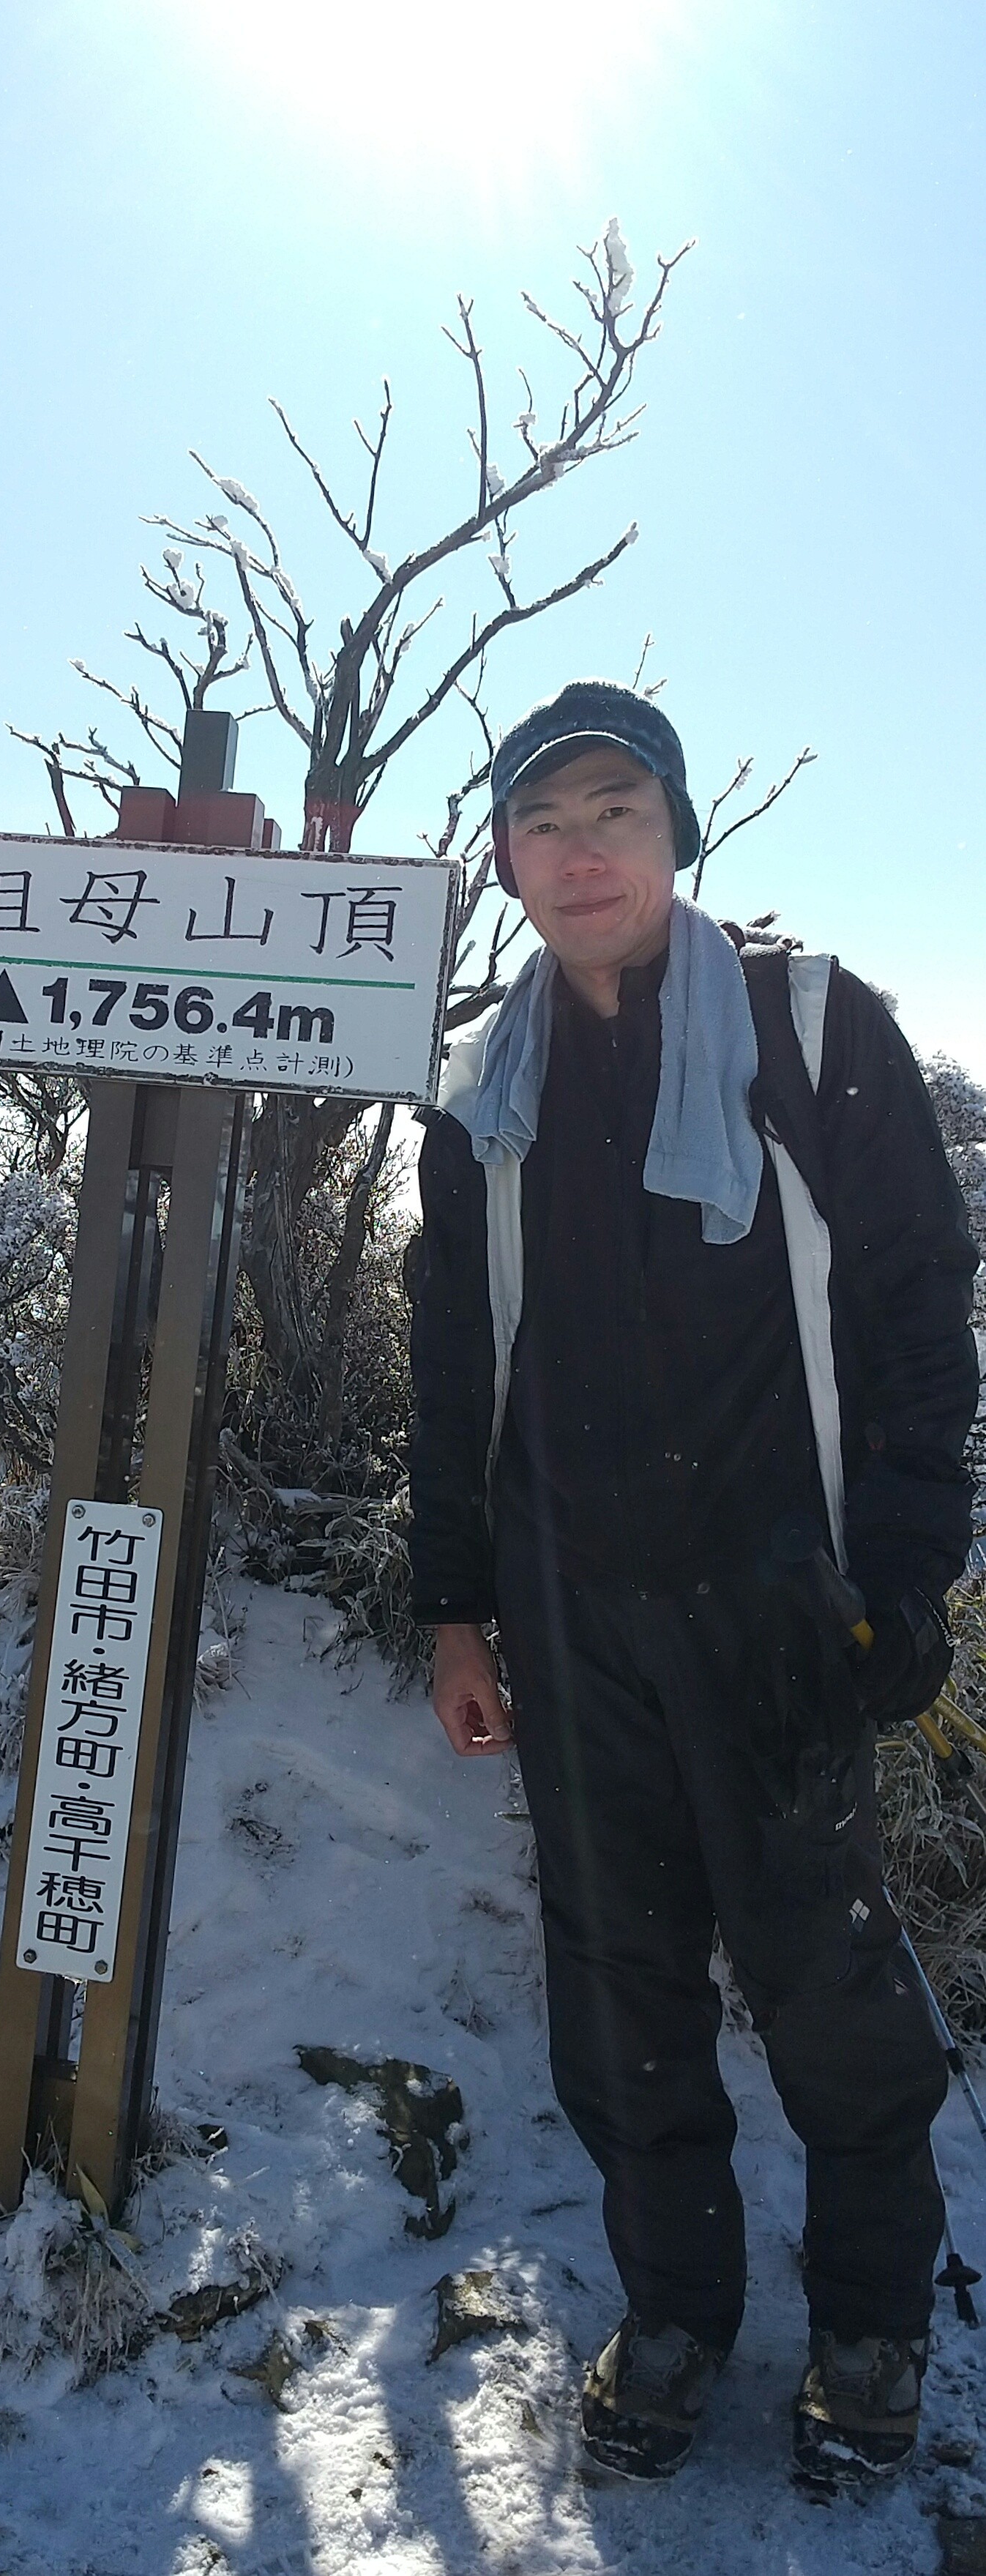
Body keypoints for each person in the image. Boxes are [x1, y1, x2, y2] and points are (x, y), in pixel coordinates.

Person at [408, 678, 980, 2483]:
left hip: (777, 1602)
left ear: (674, 837)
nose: (579, 854)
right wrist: (453, 1605)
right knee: (617, 1986)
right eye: (543, 822)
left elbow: (910, 1314)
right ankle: (675, 2315)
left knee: (825, 1985)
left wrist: (901, 1576)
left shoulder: (803, 1031)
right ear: (503, 859)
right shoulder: (479, 1091)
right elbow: (449, 1362)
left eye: (615, 813)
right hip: (576, 1619)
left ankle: (873, 2327)